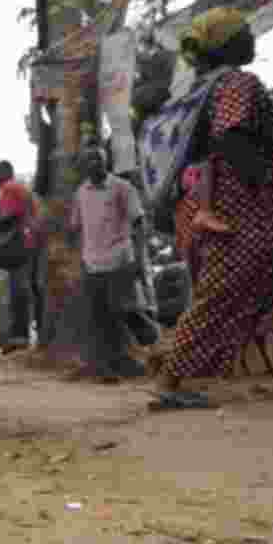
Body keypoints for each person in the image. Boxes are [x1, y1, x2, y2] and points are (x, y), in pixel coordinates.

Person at [152, 8, 273, 410]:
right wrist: (264, 184)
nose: (251, 36)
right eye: (243, 31)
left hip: (215, 207)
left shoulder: (205, 86)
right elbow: (230, 135)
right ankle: (170, 381)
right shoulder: (236, 83)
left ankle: (206, 375)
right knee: (219, 295)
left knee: (238, 291)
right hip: (238, 210)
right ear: (227, 43)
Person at [69, 145, 159, 382]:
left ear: (106, 162)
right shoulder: (80, 193)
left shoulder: (122, 187)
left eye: (98, 160)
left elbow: (139, 224)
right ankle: (111, 368)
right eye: (89, 161)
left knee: (128, 311)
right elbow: (78, 228)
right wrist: (82, 259)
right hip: (93, 264)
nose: (94, 164)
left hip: (120, 260)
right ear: (83, 166)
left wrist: (139, 259)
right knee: (101, 320)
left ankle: (155, 345)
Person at [0, 160, 41, 354]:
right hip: (31, 241)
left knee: (18, 290)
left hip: (20, 244)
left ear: (3, 173)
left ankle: (19, 337)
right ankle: (30, 333)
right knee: (28, 288)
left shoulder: (8, 188)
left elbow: (10, 217)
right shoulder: (21, 188)